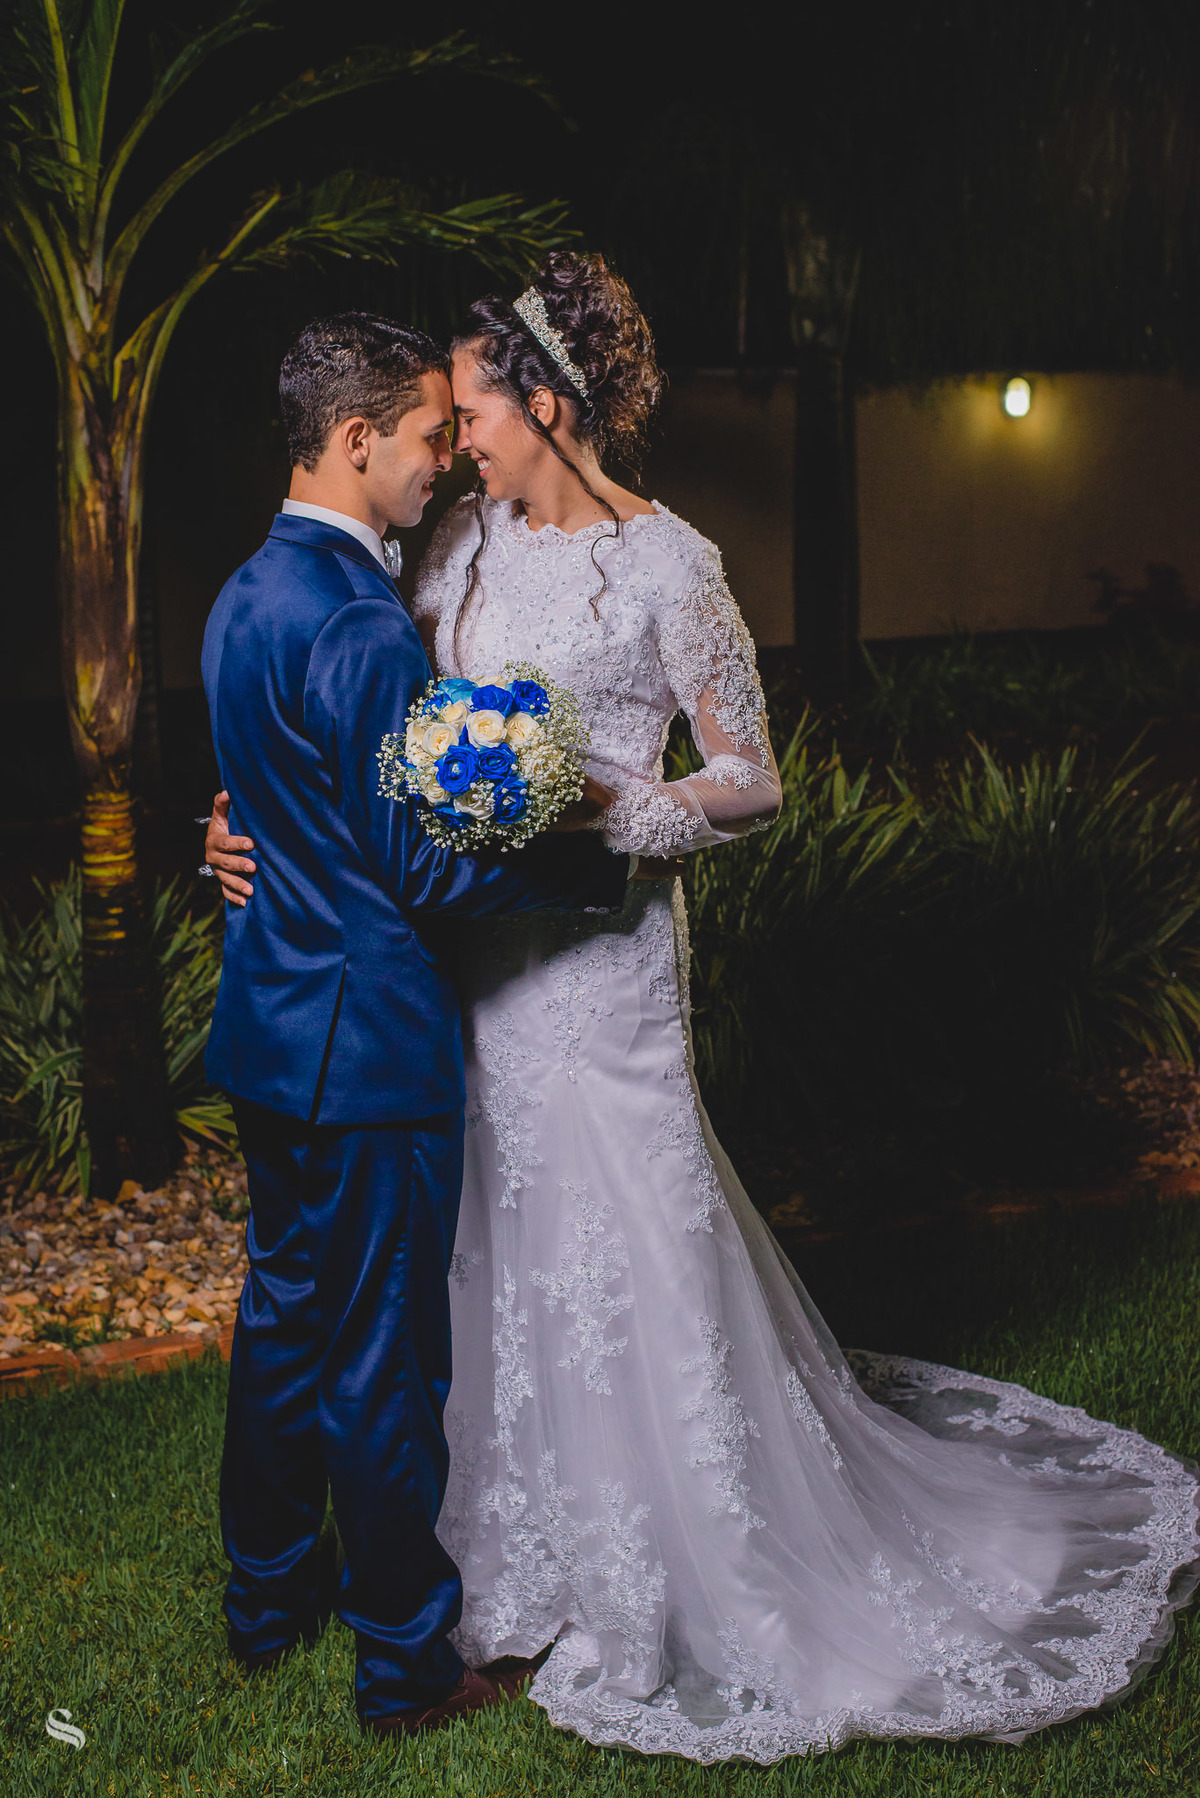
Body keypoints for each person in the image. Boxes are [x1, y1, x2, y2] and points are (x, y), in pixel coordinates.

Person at [207, 259, 1200, 1764]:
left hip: (597, 967)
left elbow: (754, 777)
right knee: (473, 1259)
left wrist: (612, 822)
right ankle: (488, 1554)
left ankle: (669, 1556)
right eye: (440, 422)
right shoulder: (444, 554)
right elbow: (339, 737)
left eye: (471, 411)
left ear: (545, 402)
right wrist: (246, 833)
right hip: (460, 978)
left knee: (621, 1241)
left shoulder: (676, 567)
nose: (457, 441)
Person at [201, 311, 634, 1739]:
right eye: (426, 437)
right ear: (354, 440)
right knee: (386, 1358)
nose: (445, 459)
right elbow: (425, 867)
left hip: (270, 1032)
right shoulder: (358, 619)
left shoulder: (242, 595)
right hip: (369, 1047)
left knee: (280, 1325)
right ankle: (405, 1661)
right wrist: (605, 861)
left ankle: (265, 1600)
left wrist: (225, 845)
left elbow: (273, 807)